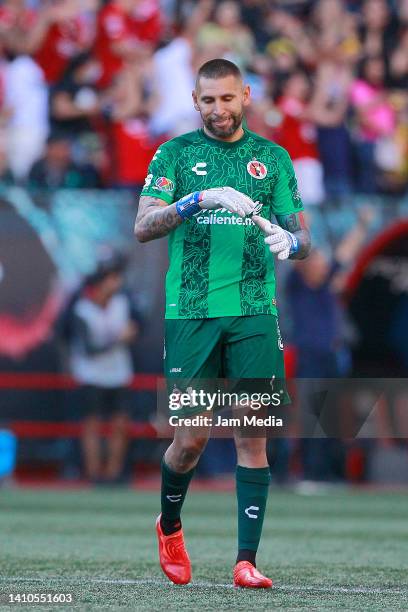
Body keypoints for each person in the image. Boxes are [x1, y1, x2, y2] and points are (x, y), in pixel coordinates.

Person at [134, 58, 311, 588]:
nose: (218, 109)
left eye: (227, 98)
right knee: (190, 442)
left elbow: (302, 238)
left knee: (252, 437)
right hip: (191, 312)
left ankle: (246, 561)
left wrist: (293, 243)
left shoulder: (272, 158)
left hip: (256, 313)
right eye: (208, 100)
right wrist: (197, 199)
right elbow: (143, 226)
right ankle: (168, 525)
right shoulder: (176, 153)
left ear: (246, 96)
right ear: (194, 101)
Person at [62, 248, 140, 483]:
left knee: (120, 424)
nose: (116, 283)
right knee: (92, 425)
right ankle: (94, 474)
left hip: (119, 373)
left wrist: (133, 332)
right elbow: (87, 348)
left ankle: (114, 474)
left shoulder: (123, 302)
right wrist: (118, 338)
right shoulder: (82, 308)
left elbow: (138, 325)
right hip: (90, 374)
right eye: (111, 278)